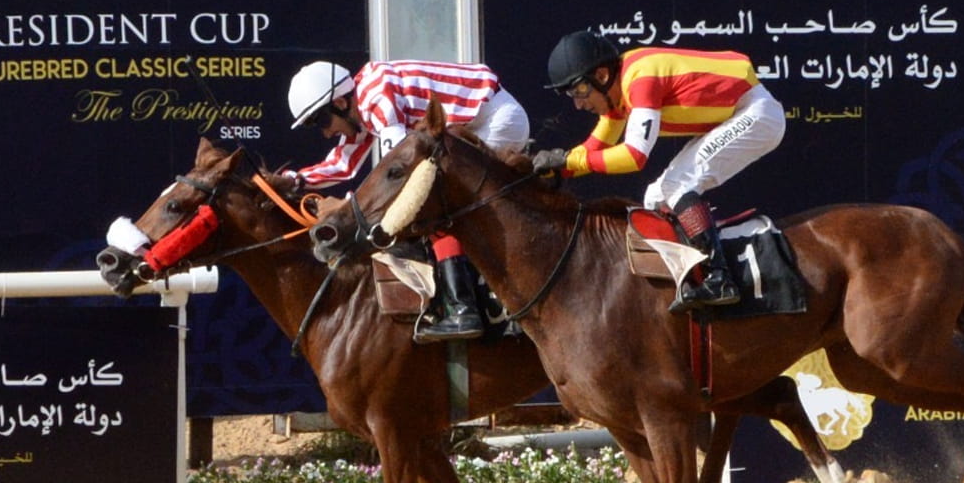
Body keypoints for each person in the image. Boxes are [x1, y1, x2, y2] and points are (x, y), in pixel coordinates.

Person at [532, 30, 786, 312]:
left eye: (579, 91)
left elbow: (634, 156)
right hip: (741, 112)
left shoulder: (640, 80)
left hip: (756, 113)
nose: (578, 104)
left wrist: (568, 162)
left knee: (678, 185)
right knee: (656, 196)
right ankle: (688, 275)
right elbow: (591, 149)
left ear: (601, 76)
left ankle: (720, 278)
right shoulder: (617, 91)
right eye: (571, 95)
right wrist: (557, 170)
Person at [286, 58, 530, 342]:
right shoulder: (362, 98)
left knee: (431, 199)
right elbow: (343, 163)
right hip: (477, 120)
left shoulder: (376, 99)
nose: (326, 132)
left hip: (495, 121)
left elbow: (399, 177)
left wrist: (347, 206)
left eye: (321, 120)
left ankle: (466, 309)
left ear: (340, 103)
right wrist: (292, 180)